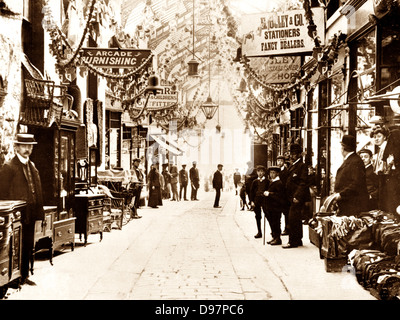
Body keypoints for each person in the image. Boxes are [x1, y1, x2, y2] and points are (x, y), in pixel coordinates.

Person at [0, 133, 45, 286]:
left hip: (30, 213)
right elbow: (2, 194)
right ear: (17, 147)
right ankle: (13, 279)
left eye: (30, 146)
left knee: (27, 245)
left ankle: (24, 276)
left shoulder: (32, 166)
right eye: (24, 146)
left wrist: (40, 215)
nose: (27, 149)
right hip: (16, 215)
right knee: (15, 246)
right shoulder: (9, 167)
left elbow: (38, 192)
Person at [332, 135, 369, 216]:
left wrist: (341, 194)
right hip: (348, 203)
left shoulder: (355, 161)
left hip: (352, 205)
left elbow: (356, 183)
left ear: (343, 148)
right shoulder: (352, 160)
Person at [283, 143, 310, 248]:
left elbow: (303, 183)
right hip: (291, 197)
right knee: (296, 219)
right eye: (291, 153)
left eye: (294, 154)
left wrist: (297, 196)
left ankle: (292, 241)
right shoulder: (293, 165)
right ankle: (298, 240)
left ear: (299, 155)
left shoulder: (302, 166)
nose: (291, 156)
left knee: (292, 219)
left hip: (296, 197)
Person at [371, 124, 400, 213]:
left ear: (385, 137)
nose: (376, 139)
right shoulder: (380, 150)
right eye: (374, 137)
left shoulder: (389, 149)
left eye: (379, 136)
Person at [264, 166, 286, 245]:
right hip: (271, 206)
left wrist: (269, 194)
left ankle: (278, 238)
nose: (271, 174)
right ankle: (274, 236)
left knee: (276, 222)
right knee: (272, 222)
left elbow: (280, 195)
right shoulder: (272, 182)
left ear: (277, 173)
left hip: (276, 206)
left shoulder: (279, 183)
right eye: (270, 173)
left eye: (273, 173)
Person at [249, 165, 270, 239]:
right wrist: (251, 201)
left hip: (265, 201)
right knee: (258, 216)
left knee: (268, 215)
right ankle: (259, 231)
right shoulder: (255, 181)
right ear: (256, 172)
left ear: (264, 172)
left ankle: (273, 232)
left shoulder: (267, 181)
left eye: (261, 171)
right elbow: (251, 192)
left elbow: (269, 190)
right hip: (256, 201)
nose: (260, 173)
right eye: (258, 171)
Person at [276, 155, 290, 235]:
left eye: (281, 161)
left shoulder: (286, 171)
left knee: (286, 213)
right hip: (277, 195)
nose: (279, 162)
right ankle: (277, 230)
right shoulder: (275, 171)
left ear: (284, 162)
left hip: (284, 195)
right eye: (278, 161)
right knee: (277, 213)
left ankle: (287, 228)